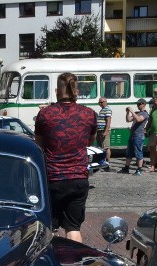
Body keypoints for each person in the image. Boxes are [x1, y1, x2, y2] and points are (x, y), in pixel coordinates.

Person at [33, 72, 97, 243]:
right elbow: (90, 140)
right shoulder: (89, 114)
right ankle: (76, 264)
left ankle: (50, 265)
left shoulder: (45, 114)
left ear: (56, 91)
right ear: (76, 90)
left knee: (50, 228)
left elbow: (39, 144)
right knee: (73, 228)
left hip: (53, 179)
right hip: (78, 179)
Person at [120, 98, 148, 176]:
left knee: (138, 152)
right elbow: (128, 120)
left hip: (139, 135)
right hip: (133, 135)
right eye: (137, 104)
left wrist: (132, 111)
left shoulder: (145, 114)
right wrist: (128, 112)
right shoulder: (137, 113)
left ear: (143, 104)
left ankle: (139, 170)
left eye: (139, 104)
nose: (138, 105)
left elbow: (139, 119)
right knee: (129, 152)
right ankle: (126, 168)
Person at [95, 97, 112, 168]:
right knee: (101, 147)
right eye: (99, 102)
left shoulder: (107, 110)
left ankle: (107, 163)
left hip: (104, 130)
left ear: (105, 102)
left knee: (106, 147)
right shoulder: (102, 110)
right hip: (99, 130)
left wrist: (105, 131)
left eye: (101, 102)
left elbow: (108, 121)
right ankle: (102, 161)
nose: (100, 104)